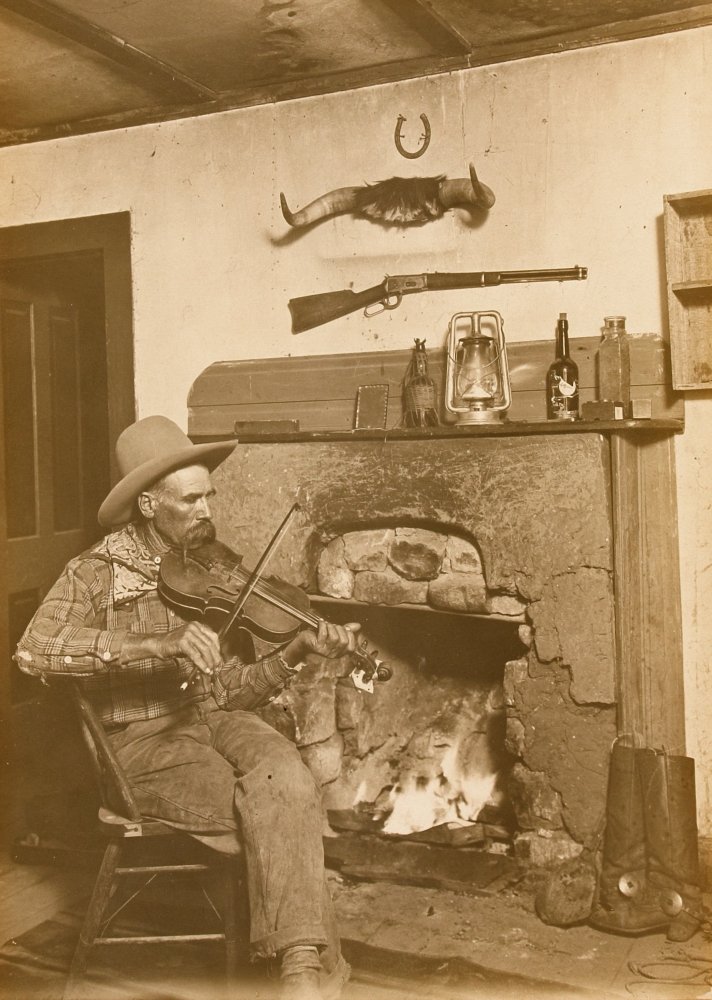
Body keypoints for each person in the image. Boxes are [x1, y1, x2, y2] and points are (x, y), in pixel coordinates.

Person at [15, 415, 359, 1000]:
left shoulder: (212, 571)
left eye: (209, 496)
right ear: (148, 506)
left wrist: (297, 650)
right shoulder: (97, 573)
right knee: (271, 806)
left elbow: (229, 693)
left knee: (287, 777)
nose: (206, 510)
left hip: (216, 720)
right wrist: (152, 643)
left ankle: (298, 969)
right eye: (190, 499)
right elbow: (32, 651)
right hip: (143, 745)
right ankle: (313, 977)